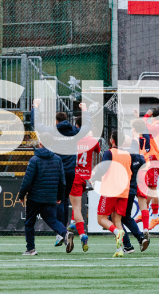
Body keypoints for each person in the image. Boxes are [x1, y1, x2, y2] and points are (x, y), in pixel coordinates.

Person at [31, 99, 91, 246]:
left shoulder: (52, 131)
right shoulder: (74, 132)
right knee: (64, 200)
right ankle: (62, 232)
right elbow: (87, 126)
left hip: (56, 171)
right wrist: (85, 110)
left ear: (56, 121)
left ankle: (61, 232)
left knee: (56, 201)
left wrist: (35, 107)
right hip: (70, 171)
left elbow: (36, 124)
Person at [16, 141, 73, 256]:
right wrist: (59, 196)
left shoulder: (34, 160)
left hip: (35, 197)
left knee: (29, 222)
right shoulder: (57, 159)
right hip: (50, 197)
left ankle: (31, 249)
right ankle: (65, 233)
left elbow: (27, 180)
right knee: (52, 220)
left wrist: (21, 195)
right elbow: (62, 181)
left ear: (40, 143)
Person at [96, 131, 130, 257]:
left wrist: (94, 177)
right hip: (124, 190)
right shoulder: (127, 154)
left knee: (101, 219)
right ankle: (119, 249)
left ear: (112, 140)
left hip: (111, 189)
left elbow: (103, 168)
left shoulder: (109, 153)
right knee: (117, 220)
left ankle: (116, 232)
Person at [69, 120, 100, 252]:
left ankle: (82, 234)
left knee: (76, 207)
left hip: (75, 176)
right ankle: (72, 223)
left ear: (77, 126)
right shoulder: (93, 141)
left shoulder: (73, 140)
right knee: (77, 205)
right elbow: (98, 151)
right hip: (86, 177)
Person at [121, 135, 150, 254]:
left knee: (113, 218)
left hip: (123, 189)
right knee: (127, 216)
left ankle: (127, 245)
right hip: (135, 186)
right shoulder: (140, 158)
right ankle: (141, 236)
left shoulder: (124, 156)